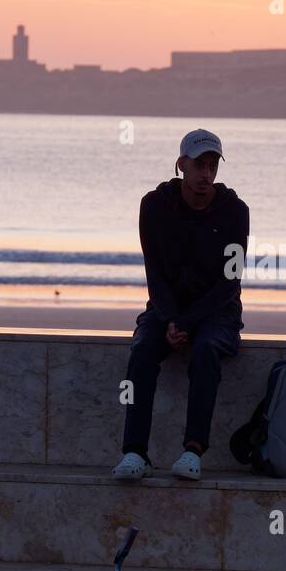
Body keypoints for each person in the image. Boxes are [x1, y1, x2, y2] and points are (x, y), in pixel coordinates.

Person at [111, 129, 249, 482]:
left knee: (205, 351)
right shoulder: (154, 205)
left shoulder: (235, 211)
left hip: (218, 310)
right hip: (167, 308)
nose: (205, 174)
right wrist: (172, 318)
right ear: (181, 165)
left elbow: (230, 281)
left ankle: (193, 450)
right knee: (142, 349)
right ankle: (134, 452)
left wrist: (187, 322)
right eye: (198, 165)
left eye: (212, 165)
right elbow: (154, 272)